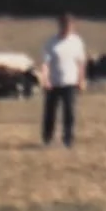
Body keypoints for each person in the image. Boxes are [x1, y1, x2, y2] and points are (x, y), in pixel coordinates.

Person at [40, 11, 87, 148]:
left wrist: (81, 79)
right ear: (60, 25)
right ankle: (47, 138)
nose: (67, 28)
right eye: (64, 25)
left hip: (70, 82)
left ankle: (68, 139)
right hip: (54, 83)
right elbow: (45, 63)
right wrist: (45, 79)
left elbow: (81, 62)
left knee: (69, 112)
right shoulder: (51, 43)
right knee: (50, 112)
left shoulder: (77, 42)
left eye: (70, 25)